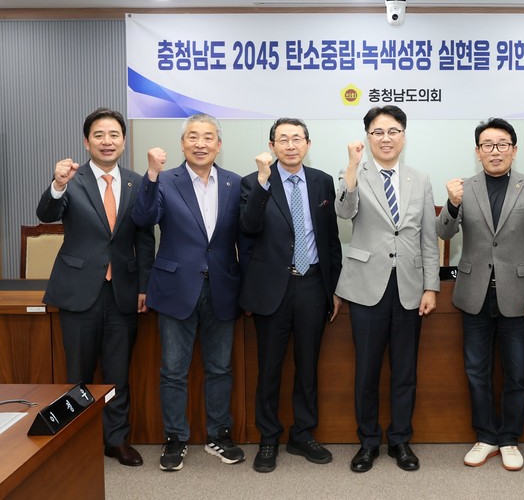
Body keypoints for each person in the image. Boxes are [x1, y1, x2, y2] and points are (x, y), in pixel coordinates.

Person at [36, 108, 155, 467]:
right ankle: (77, 441)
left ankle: (116, 441)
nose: (107, 141)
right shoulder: (71, 179)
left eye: (114, 134)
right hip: (79, 290)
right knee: (78, 374)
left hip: (123, 291)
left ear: (123, 141)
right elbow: (46, 215)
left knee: (118, 374)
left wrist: (144, 286)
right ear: (86, 142)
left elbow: (144, 238)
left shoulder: (136, 182)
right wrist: (57, 184)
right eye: (99, 135)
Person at [132, 113, 246, 472]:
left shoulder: (235, 183)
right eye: (193, 137)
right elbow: (143, 218)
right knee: (173, 370)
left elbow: (246, 236)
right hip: (175, 287)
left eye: (208, 137)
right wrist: (151, 175)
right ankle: (175, 438)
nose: (200, 144)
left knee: (220, 368)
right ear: (183, 144)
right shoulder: (165, 180)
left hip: (223, 287)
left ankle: (219, 434)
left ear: (219, 144)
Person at [436, 117, 524, 472]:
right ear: (477, 151)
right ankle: (485, 437)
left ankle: (509, 438)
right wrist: (452, 204)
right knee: (476, 371)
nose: (495, 151)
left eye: (502, 144)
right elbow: (443, 232)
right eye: (488, 145)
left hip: (518, 295)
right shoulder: (463, 188)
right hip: (474, 294)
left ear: (514, 150)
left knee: (517, 374)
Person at [335, 105, 440, 473]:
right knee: (366, 371)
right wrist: (352, 169)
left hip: (409, 286)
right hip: (367, 286)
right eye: (378, 132)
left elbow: (428, 237)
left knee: (405, 371)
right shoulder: (353, 173)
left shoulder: (420, 179)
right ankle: (367, 442)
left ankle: (400, 440)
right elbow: (344, 212)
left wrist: (431, 286)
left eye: (393, 131)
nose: (386, 138)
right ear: (368, 137)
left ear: (403, 136)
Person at [239, 118, 342, 473]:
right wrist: (263, 181)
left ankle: (302, 434)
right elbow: (248, 227)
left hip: (312, 284)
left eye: (297, 138)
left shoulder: (322, 181)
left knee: (307, 366)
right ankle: (268, 438)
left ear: (308, 144)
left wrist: (333, 288)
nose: (290, 145)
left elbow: (330, 239)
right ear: (272, 146)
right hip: (273, 288)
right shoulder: (254, 182)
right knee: (269, 368)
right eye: (282, 139)